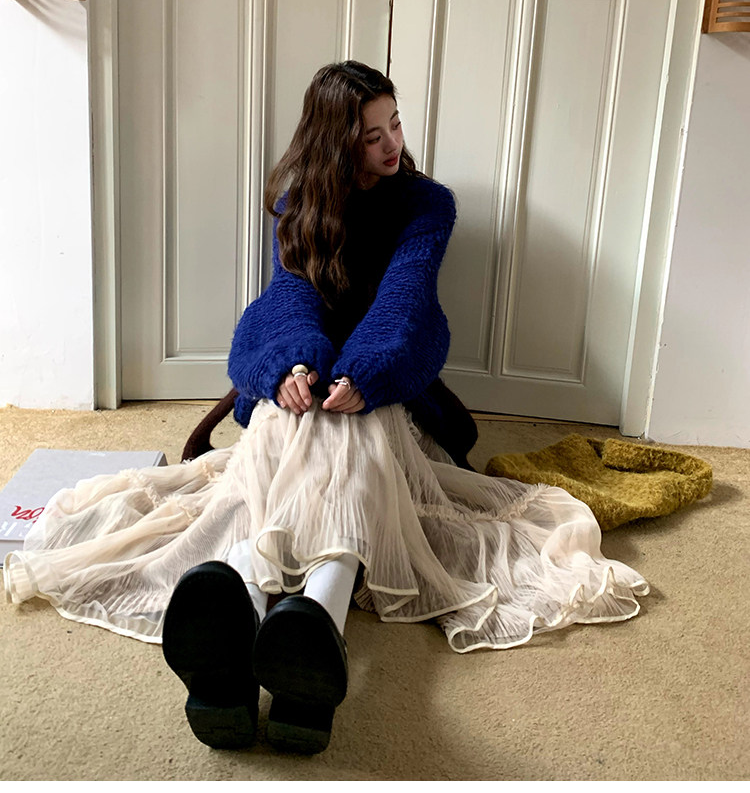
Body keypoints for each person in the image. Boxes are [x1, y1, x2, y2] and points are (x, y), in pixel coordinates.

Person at [3, 61, 649, 757]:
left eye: (394, 124)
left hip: (389, 389)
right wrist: (293, 366)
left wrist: (365, 375)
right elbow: (287, 297)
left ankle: (296, 613)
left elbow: (407, 304)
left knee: (353, 428)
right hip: (312, 383)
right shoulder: (298, 201)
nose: (391, 143)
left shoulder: (425, 205)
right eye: (371, 135)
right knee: (286, 417)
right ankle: (270, 627)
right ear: (336, 143)